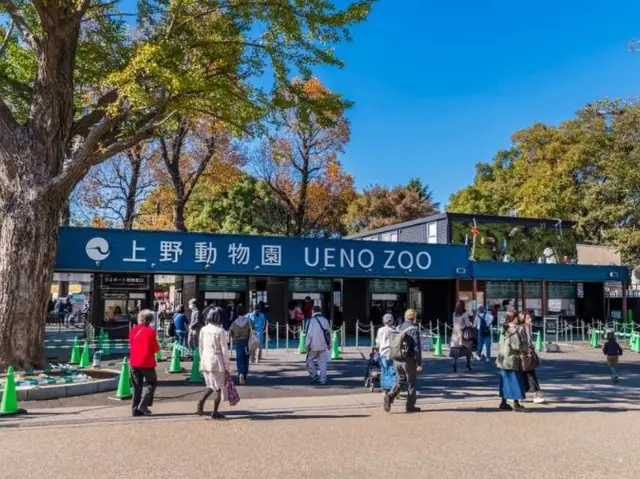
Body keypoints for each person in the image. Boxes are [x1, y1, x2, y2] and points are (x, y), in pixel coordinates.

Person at [384, 309, 422, 413]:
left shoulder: (398, 327)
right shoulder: (413, 329)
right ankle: (410, 406)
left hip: (397, 358)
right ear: (413, 317)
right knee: (411, 383)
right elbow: (417, 348)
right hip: (408, 360)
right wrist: (419, 363)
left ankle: (390, 395)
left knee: (400, 380)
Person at [197, 307, 231, 419]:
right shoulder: (221, 331)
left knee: (211, 385)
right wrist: (227, 365)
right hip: (217, 360)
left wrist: (201, 359)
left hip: (205, 359)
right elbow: (224, 350)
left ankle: (201, 402)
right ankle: (215, 411)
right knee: (219, 387)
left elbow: (200, 347)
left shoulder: (203, 329)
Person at [129, 309, 160, 417]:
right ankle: (143, 404)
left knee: (136, 386)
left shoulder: (133, 330)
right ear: (150, 320)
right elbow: (156, 348)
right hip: (146, 362)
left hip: (134, 361)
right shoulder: (151, 331)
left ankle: (135, 409)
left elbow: (131, 343)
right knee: (152, 383)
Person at [497, 311, 527, 412]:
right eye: (517, 317)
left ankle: (503, 402)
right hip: (511, 359)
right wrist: (524, 346)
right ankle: (516, 404)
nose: (518, 319)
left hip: (502, 358)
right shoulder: (513, 330)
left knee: (505, 382)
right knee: (515, 382)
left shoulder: (504, 328)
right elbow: (516, 346)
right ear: (514, 318)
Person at [520, 311, 546, 403]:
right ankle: (535, 395)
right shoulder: (522, 329)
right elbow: (523, 343)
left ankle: (520, 395)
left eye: (530, 318)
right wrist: (528, 351)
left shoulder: (528, 327)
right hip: (525, 356)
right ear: (523, 319)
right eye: (528, 318)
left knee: (525, 375)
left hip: (527, 355)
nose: (530, 319)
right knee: (531, 375)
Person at [305, 306, 331, 385]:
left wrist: (306, 345)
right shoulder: (325, 320)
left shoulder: (311, 321)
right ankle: (323, 380)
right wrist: (329, 344)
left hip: (314, 345)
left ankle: (314, 374)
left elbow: (309, 334)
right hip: (323, 345)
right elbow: (329, 333)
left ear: (313, 311)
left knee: (309, 359)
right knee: (323, 363)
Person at [229, 307, 252, 385]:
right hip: (246, 342)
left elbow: (230, 332)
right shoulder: (249, 321)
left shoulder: (234, 322)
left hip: (238, 342)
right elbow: (254, 331)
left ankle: (240, 373)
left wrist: (235, 337)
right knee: (246, 360)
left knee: (239, 359)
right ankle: (244, 375)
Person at [376, 313, 397, 392]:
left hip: (383, 352)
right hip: (392, 353)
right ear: (392, 321)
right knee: (392, 370)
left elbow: (378, 342)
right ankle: (393, 387)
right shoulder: (394, 330)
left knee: (384, 370)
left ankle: (385, 388)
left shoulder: (380, 330)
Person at [450, 300, 473, 372]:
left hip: (454, 334)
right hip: (462, 333)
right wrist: (471, 324)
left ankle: (454, 363)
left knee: (455, 349)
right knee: (468, 348)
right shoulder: (465, 314)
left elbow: (453, 322)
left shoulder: (454, 314)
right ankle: (468, 363)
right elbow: (467, 324)